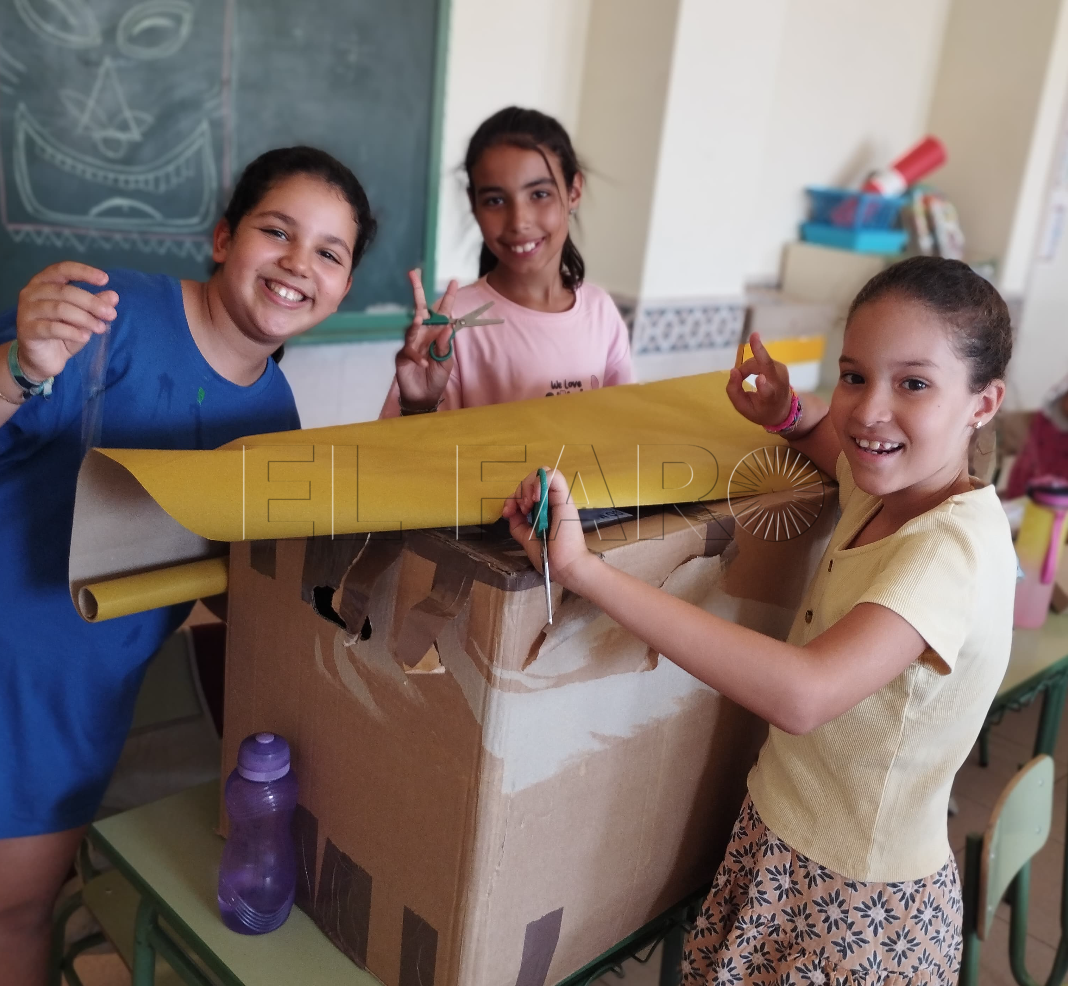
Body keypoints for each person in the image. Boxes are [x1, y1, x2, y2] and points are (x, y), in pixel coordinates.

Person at [504, 256, 1015, 985]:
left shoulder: (947, 553)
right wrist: (784, 411)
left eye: (914, 384)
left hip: (852, 906)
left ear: (983, 402)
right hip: (782, 846)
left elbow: (804, 694)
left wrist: (586, 571)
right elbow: (839, 446)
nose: (869, 411)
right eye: (854, 376)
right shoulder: (892, 490)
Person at [0, 146, 376, 985]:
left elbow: (246, 590)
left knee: (21, 910)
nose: (297, 263)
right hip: (10, 670)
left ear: (346, 285)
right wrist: (17, 367)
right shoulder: (107, 314)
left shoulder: (273, 416)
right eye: (276, 231)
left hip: (82, 703)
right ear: (222, 237)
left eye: (328, 251)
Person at [381, 106, 633, 417]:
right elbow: (407, 444)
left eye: (539, 194)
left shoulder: (601, 312)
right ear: (474, 204)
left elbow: (622, 425)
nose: (519, 221)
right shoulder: (451, 324)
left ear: (574, 191)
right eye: (496, 200)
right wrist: (419, 405)